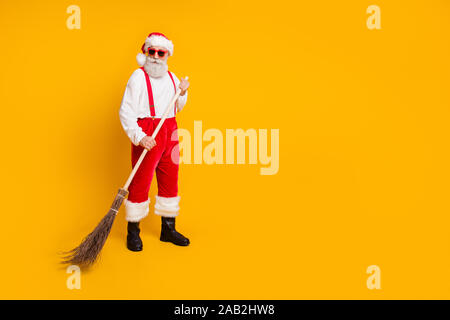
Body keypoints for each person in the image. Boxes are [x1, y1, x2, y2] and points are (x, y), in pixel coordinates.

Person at [119, 32, 190, 251]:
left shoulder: (172, 77)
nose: (157, 56)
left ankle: (168, 229)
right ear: (145, 53)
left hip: (170, 129)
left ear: (167, 54)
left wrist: (184, 93)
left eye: (161, 52)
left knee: (171, 178)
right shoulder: (138, 77)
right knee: (141, 180)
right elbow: (125, 111)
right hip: (148, 131)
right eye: (152, 52)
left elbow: (178, 107)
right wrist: (140, 137)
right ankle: (133, 232)